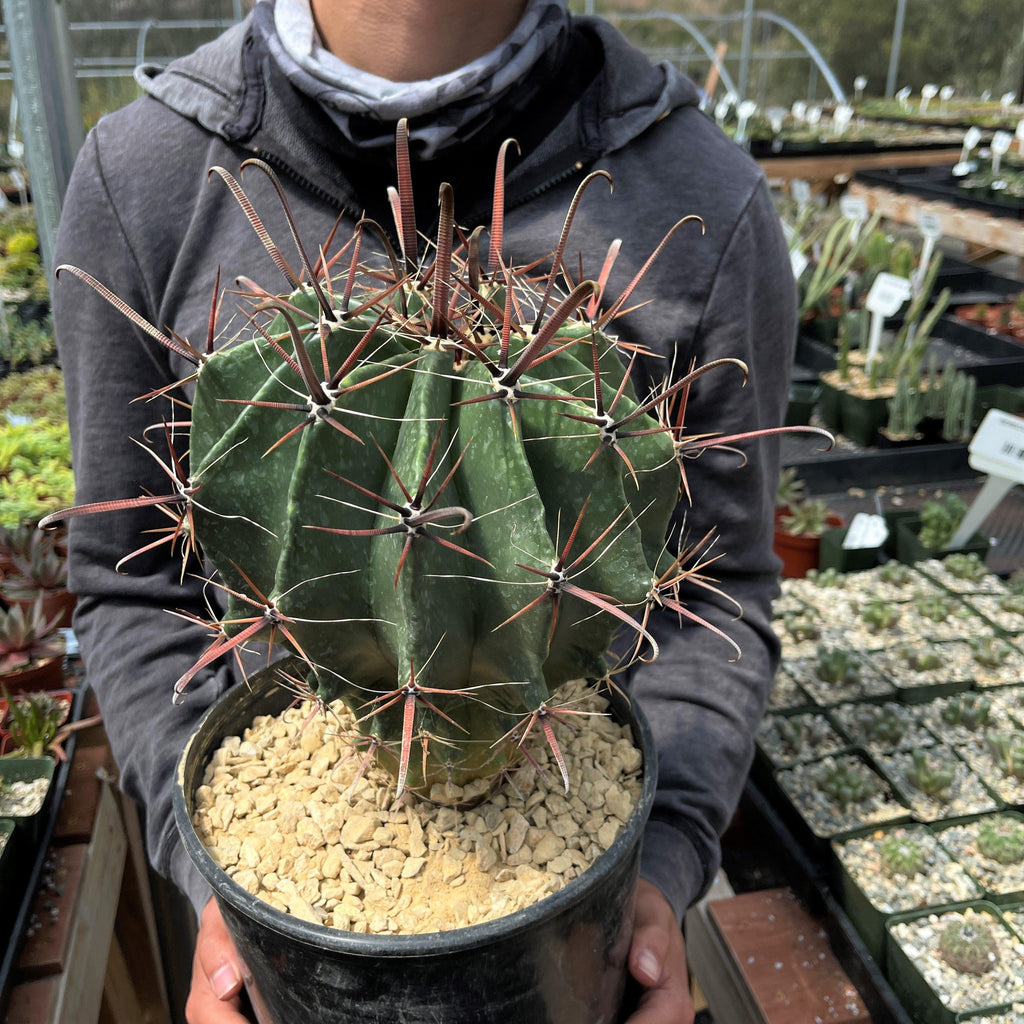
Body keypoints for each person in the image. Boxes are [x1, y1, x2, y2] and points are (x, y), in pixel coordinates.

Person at [53, 0, 795, 1021]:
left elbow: (722, 595)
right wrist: (207, 873)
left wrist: (657, 863)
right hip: (296, 908)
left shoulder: (707, 197)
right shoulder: (146, 177)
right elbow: (126, 580)